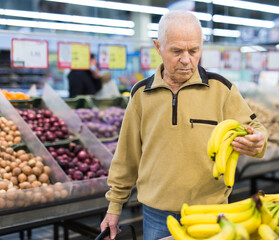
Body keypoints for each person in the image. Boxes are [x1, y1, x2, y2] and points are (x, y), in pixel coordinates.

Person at [100, 10, 268, 240]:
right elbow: (127, 155)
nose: (186, 59)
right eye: (176, 51)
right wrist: (114, 206)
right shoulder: (141, 94)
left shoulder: (221, 89)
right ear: (159, 47)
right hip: (157, 215)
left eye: (194, 50)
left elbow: (255, 127)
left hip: (211, 212)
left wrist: (258, 140)